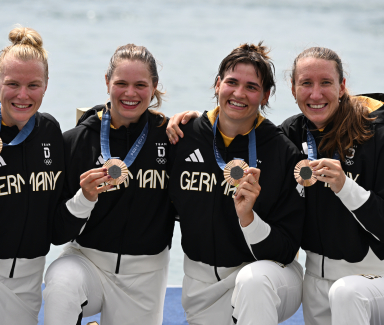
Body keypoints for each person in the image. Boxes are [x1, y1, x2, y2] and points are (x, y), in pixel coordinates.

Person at [0, 27, 101, 325]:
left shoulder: (49, 132)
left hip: (27, 282)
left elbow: (56, 231)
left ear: (46, 86)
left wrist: (86, 197)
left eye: (33, 85)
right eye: (12, 84)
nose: (22, 95)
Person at [167, 43, 305, 325]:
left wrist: (249, 219)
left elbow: (287, 248)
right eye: (231, 82)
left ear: (265, 95)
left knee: (252, 283)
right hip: (201, 284)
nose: (239, 94)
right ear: (217, 85)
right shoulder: (184, 137)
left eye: (251, 87)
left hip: (266, 277)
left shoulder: (281, 151)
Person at [43, 44, 175, 325]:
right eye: (121, 83)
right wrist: (84, 198)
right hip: (87, 261)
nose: (130, 93)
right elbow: (56, 233)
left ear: (154, 86)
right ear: (107, 83)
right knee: (61, 283)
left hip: (145, 273)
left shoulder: (173, 138)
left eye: (140, 84)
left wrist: (198, 122)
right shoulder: (75, 141)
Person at [281, 47, 384, 325]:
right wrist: (199, 120)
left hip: (374, 283)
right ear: (293, 89)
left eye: (326, 83)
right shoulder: (290, 133)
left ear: (342, 87)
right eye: (306, 83)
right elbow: (239, 131)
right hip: (316, 282)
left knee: (347, 293)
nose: (316, 95)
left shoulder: (378, 132)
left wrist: (345, 187)